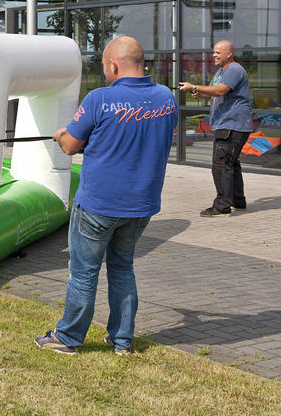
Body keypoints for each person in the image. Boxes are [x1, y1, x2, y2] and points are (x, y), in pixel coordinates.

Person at [35, 36, 177, 356]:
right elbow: (134, 139)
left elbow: (72, 145)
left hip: (99, 205)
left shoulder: (99, 99)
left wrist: (62, 135)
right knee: (122, 267)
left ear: (113, 65)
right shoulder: (167, 98)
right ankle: (122, 340)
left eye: (104, 66)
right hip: (141, 206)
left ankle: (68, 338)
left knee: (84, 273)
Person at [177, 39, 253, 216]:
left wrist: (194, 86)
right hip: (228, 124)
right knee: (231, 164)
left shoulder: (234, 69)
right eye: (214, 52)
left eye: (218, 52)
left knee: (221, 164)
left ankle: (222, 205)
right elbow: (215, 93)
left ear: (229, 54)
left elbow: (220, 90)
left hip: (232, 124)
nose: (214, 55)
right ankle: (237, 200)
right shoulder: (221, 71)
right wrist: (200, 93)